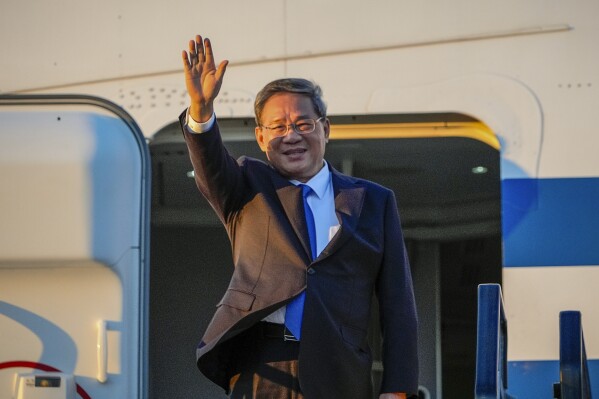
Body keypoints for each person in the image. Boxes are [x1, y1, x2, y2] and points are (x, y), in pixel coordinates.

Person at [179, 34, 419, 399]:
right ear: (261, 138)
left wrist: (398, 389)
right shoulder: (245, 186)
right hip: (263, 367)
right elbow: (210, 165)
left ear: (326, 128)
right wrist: (200, 110)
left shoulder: (374, 200)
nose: (291, 135)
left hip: (341, 369)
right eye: (277, 127)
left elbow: (397, 304)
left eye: (303, 124)